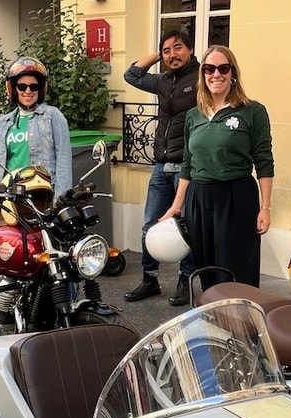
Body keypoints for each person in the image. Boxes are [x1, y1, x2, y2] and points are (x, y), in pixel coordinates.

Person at [161, 45, 274, 290]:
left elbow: (264, 161)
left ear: (233, 73)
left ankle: (242, 323)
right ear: (203, 74)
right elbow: (188, 165)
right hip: (199, 200)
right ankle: (214, 321)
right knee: (206, 266)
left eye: (223, 68)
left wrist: (265, 207)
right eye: (209, 69)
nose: (216, 74)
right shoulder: (194, 115)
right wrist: (176, 206)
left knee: (236, 267)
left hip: (237, 197)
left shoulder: (252, 111)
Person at [123, 30, 199, 306]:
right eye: (166, 51)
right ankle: (150, 279)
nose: (172, 55)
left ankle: (186, 281)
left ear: (190, 49)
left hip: (187, 166)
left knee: (186, 227)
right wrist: (159, 55)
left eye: (177, 48)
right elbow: (131, 75)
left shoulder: (201, 78)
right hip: (160, 164)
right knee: (150, 225)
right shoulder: (164, 80)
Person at [0, 57, 72, 195]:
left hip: (41, 192)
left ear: (41, 89)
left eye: (34, 86)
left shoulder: (52, 116)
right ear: (14, 89)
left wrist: (61, 198)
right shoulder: (5, 121)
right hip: (11, 193)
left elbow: (63, 159)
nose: (28, 91)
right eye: (22, 86)